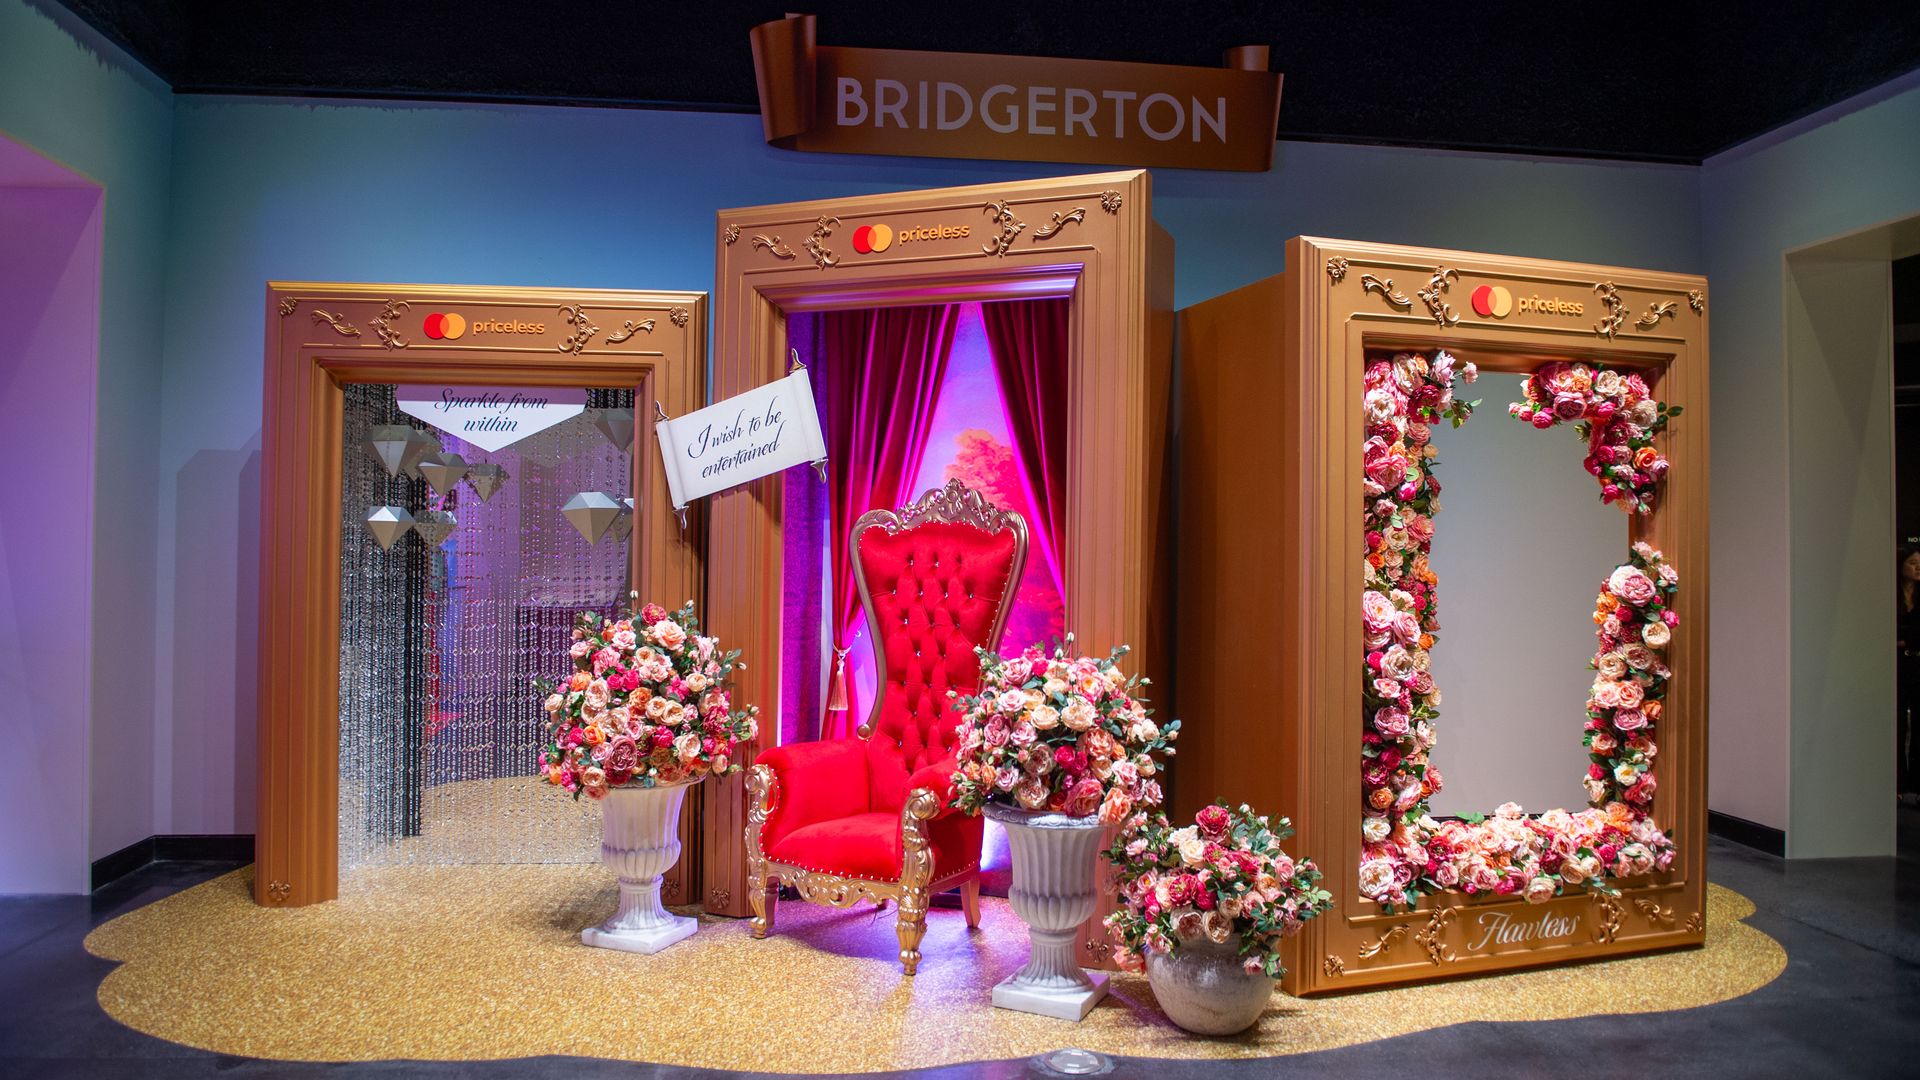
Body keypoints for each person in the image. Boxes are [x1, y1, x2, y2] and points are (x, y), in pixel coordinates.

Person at [1899, 548, 1920, 805]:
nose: (1917, 567)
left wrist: (1904, 639)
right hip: (1897, 667)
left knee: (1917, 727)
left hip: (1915, 663)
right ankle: (1898, 784)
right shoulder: (1891, 595)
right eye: (1913, 562)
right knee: (1898, 725)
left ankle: (1915, 787)